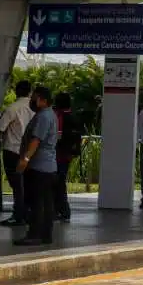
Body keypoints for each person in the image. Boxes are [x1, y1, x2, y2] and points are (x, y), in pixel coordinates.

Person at [14, 85, 58, 247]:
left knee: (36, 202)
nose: (32, 100)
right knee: (46, 203)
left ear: (43, 100)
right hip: (47, 167)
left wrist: (25, 158)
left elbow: (36, 140)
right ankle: (45, 234)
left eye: (35, 97)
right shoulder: (48, 115)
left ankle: (35, 234)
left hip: (39, 166)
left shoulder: (43, 117)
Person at [0, 79, 34, 227]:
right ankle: (27, 213)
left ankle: (18, 215)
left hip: (12, 150)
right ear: (30, 92)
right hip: (30, 151)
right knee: (27, 183)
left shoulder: (12, 108)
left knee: (16, 185)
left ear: (16, 91)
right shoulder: (35, 108)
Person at [53, 93, 82, 222]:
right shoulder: (74, 117)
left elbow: (57, 136)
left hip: (58, 155)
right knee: (60, 182)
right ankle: (62, 210)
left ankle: (62, 210)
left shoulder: (59, 117)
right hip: (67, 155)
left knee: (57, 183)